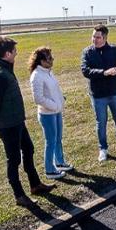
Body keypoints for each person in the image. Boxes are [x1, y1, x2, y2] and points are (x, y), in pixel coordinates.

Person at [0, 36, 54, 207]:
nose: (16, 53)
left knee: (28, 149)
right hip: (8, 125)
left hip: (16, 121)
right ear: (7, 53)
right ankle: (19, 195)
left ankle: (35, 184)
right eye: (14, 51)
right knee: (13, 159)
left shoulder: (4, 68)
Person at [81, 24, 116, 161]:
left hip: (114, 93)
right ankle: (103, 148)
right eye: (93, 36)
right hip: (98, 96)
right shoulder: (87, 52)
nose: (94, 40)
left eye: (98, 37)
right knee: (101, 123)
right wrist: (104, 73)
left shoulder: (115, 50)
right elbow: (85, 70)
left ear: (105, 38)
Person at [29, 46, 73, 179]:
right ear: (42, 61)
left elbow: (54, 89)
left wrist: (60, 99)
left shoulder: (48, 72)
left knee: (58, 139)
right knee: (51, 141)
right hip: (47, 114)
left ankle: (59, 162)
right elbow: (38, 98)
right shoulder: (37, 75)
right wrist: (54, 106)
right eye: (49, 58)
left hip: (57, 111)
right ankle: (49, 170)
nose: (52, 60)